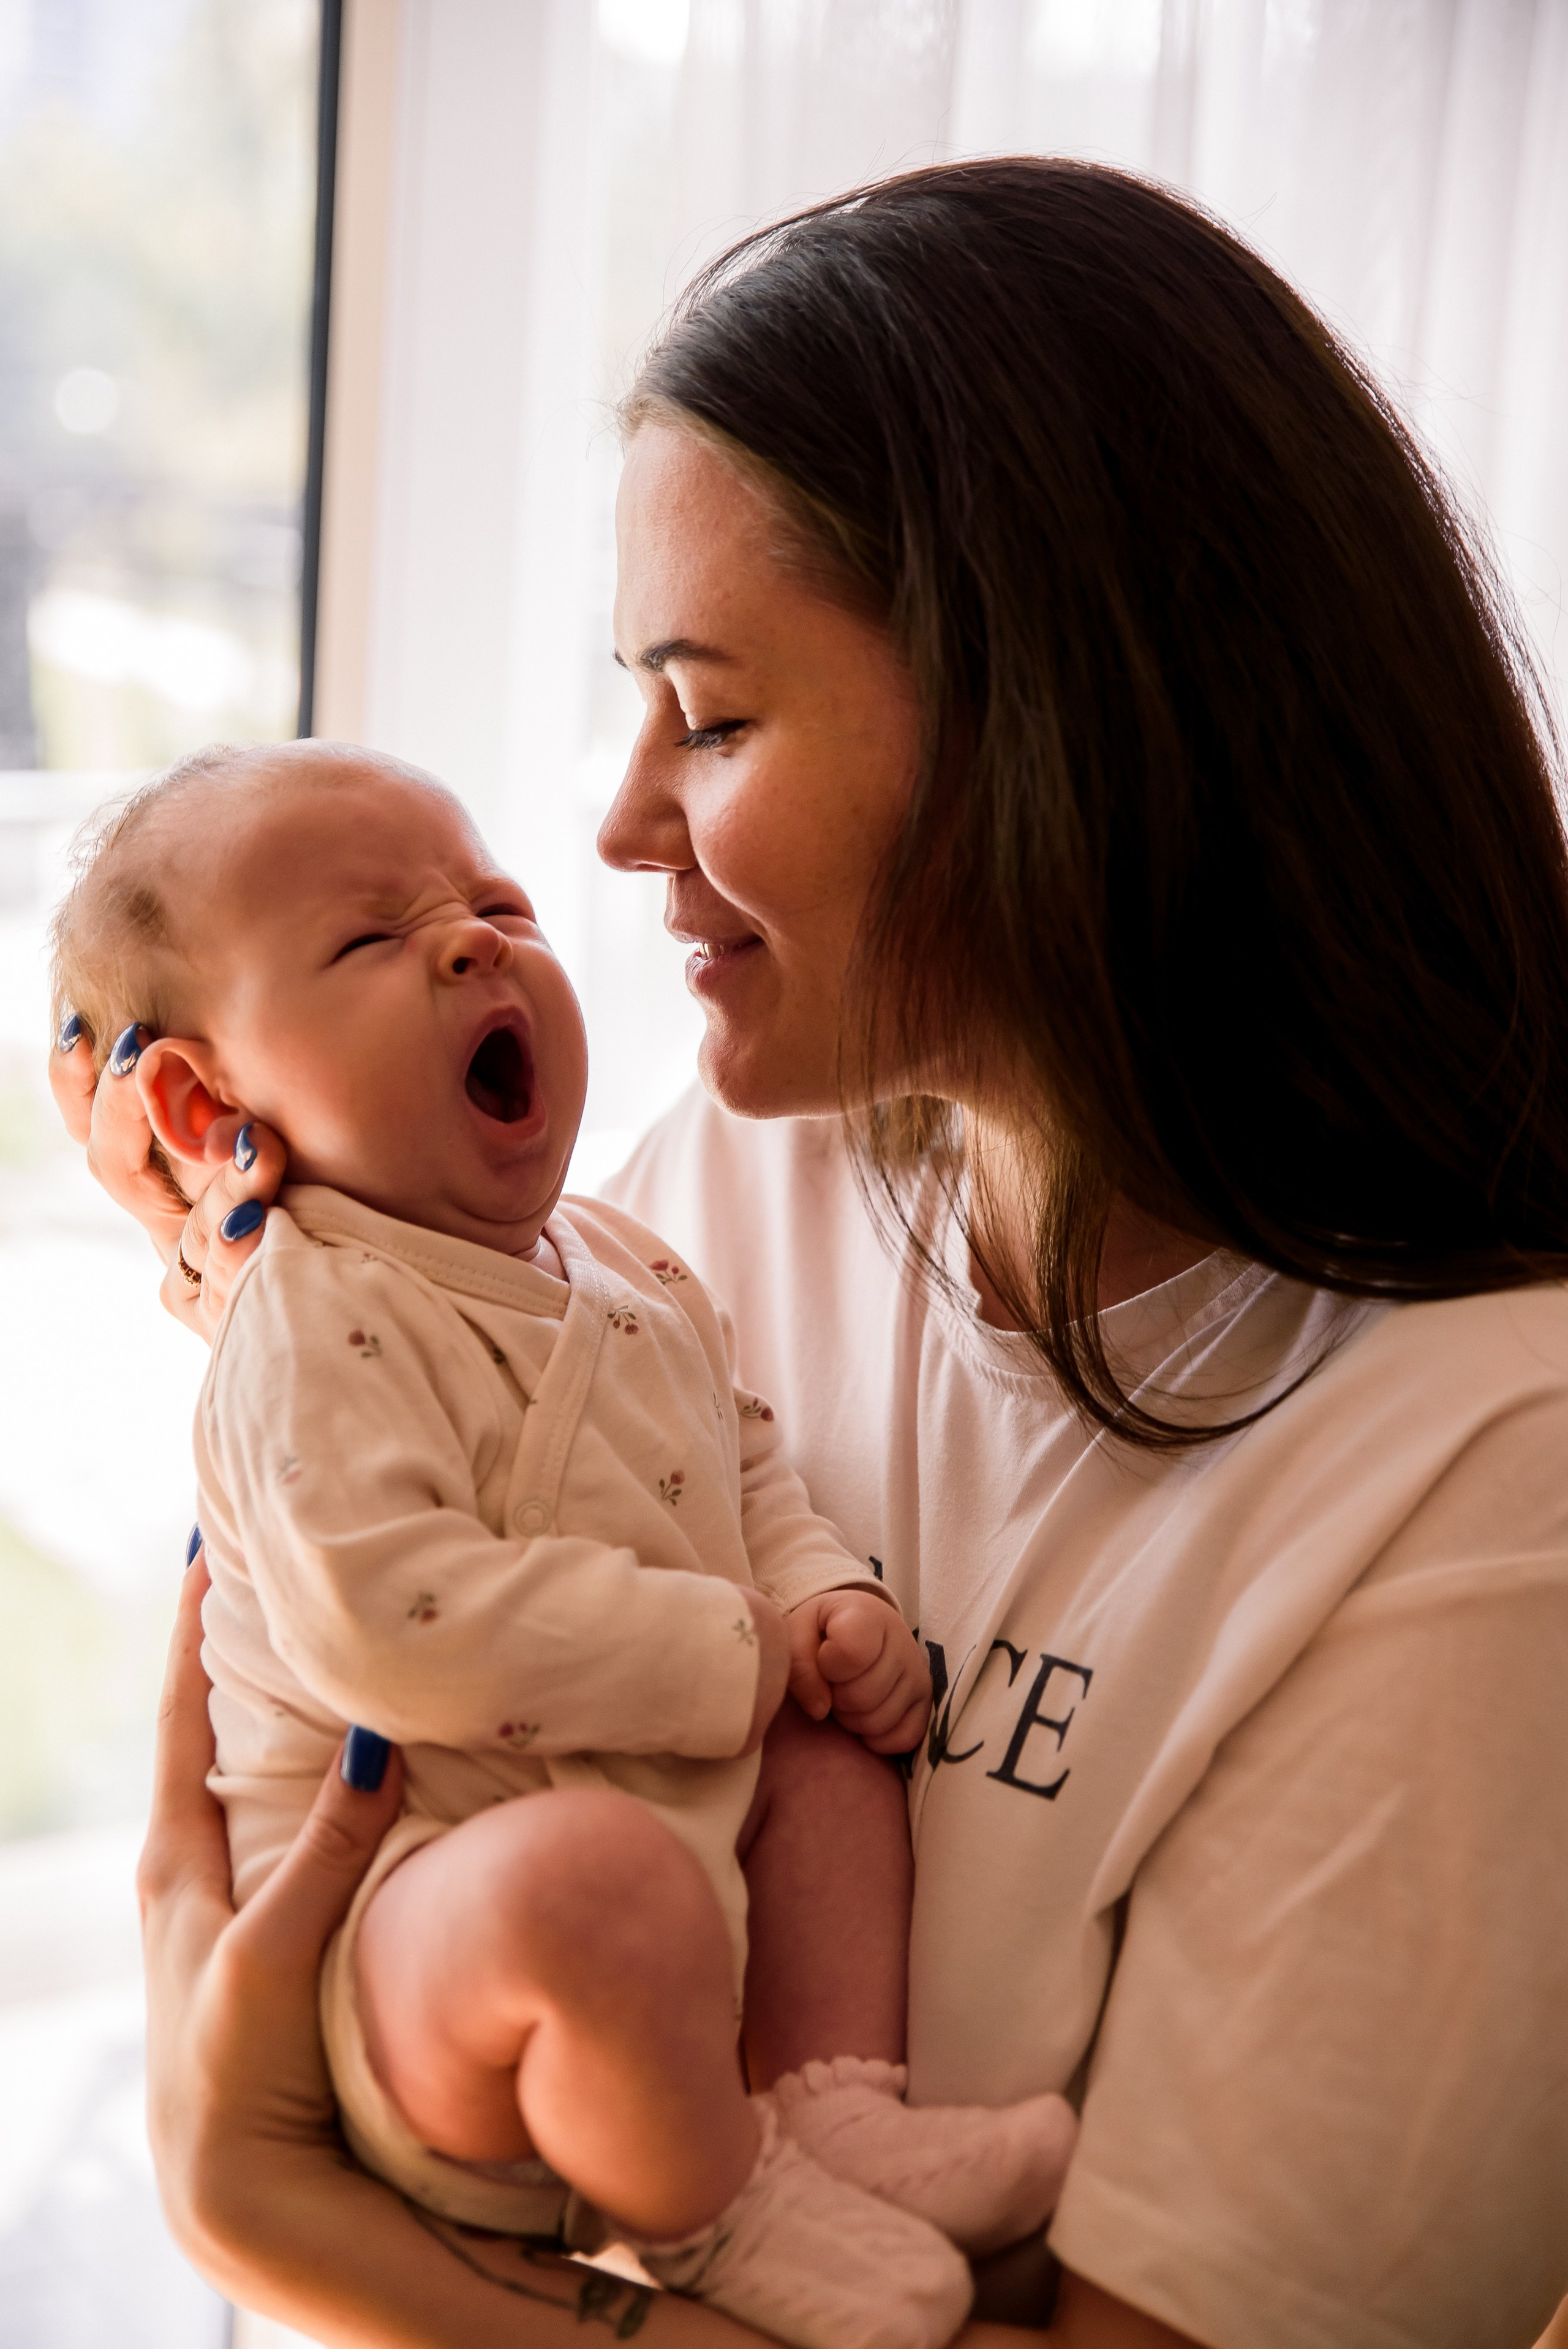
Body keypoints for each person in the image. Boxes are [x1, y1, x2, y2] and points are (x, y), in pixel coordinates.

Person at [53, 158, 1568, 2348]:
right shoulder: (749, 1179)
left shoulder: (1487, 1481)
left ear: (1065, 722)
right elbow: (379, 1615)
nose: (614, 825)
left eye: (719, 712)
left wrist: (300, 2231)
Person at [51, 741, 1077, 2347]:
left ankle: (831, 2101)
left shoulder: (621, 1256)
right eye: (371, 939)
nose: (473, 940)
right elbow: (394, 1616)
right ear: (204, 1099)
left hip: (655, 1861)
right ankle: (720, 2215)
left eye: (494, 903)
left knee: (827, 1752)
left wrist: (814, 1598)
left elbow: (741, 1458)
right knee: (597, 1870)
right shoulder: (303, 1315)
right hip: (403, 1951)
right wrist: (723, 1648)